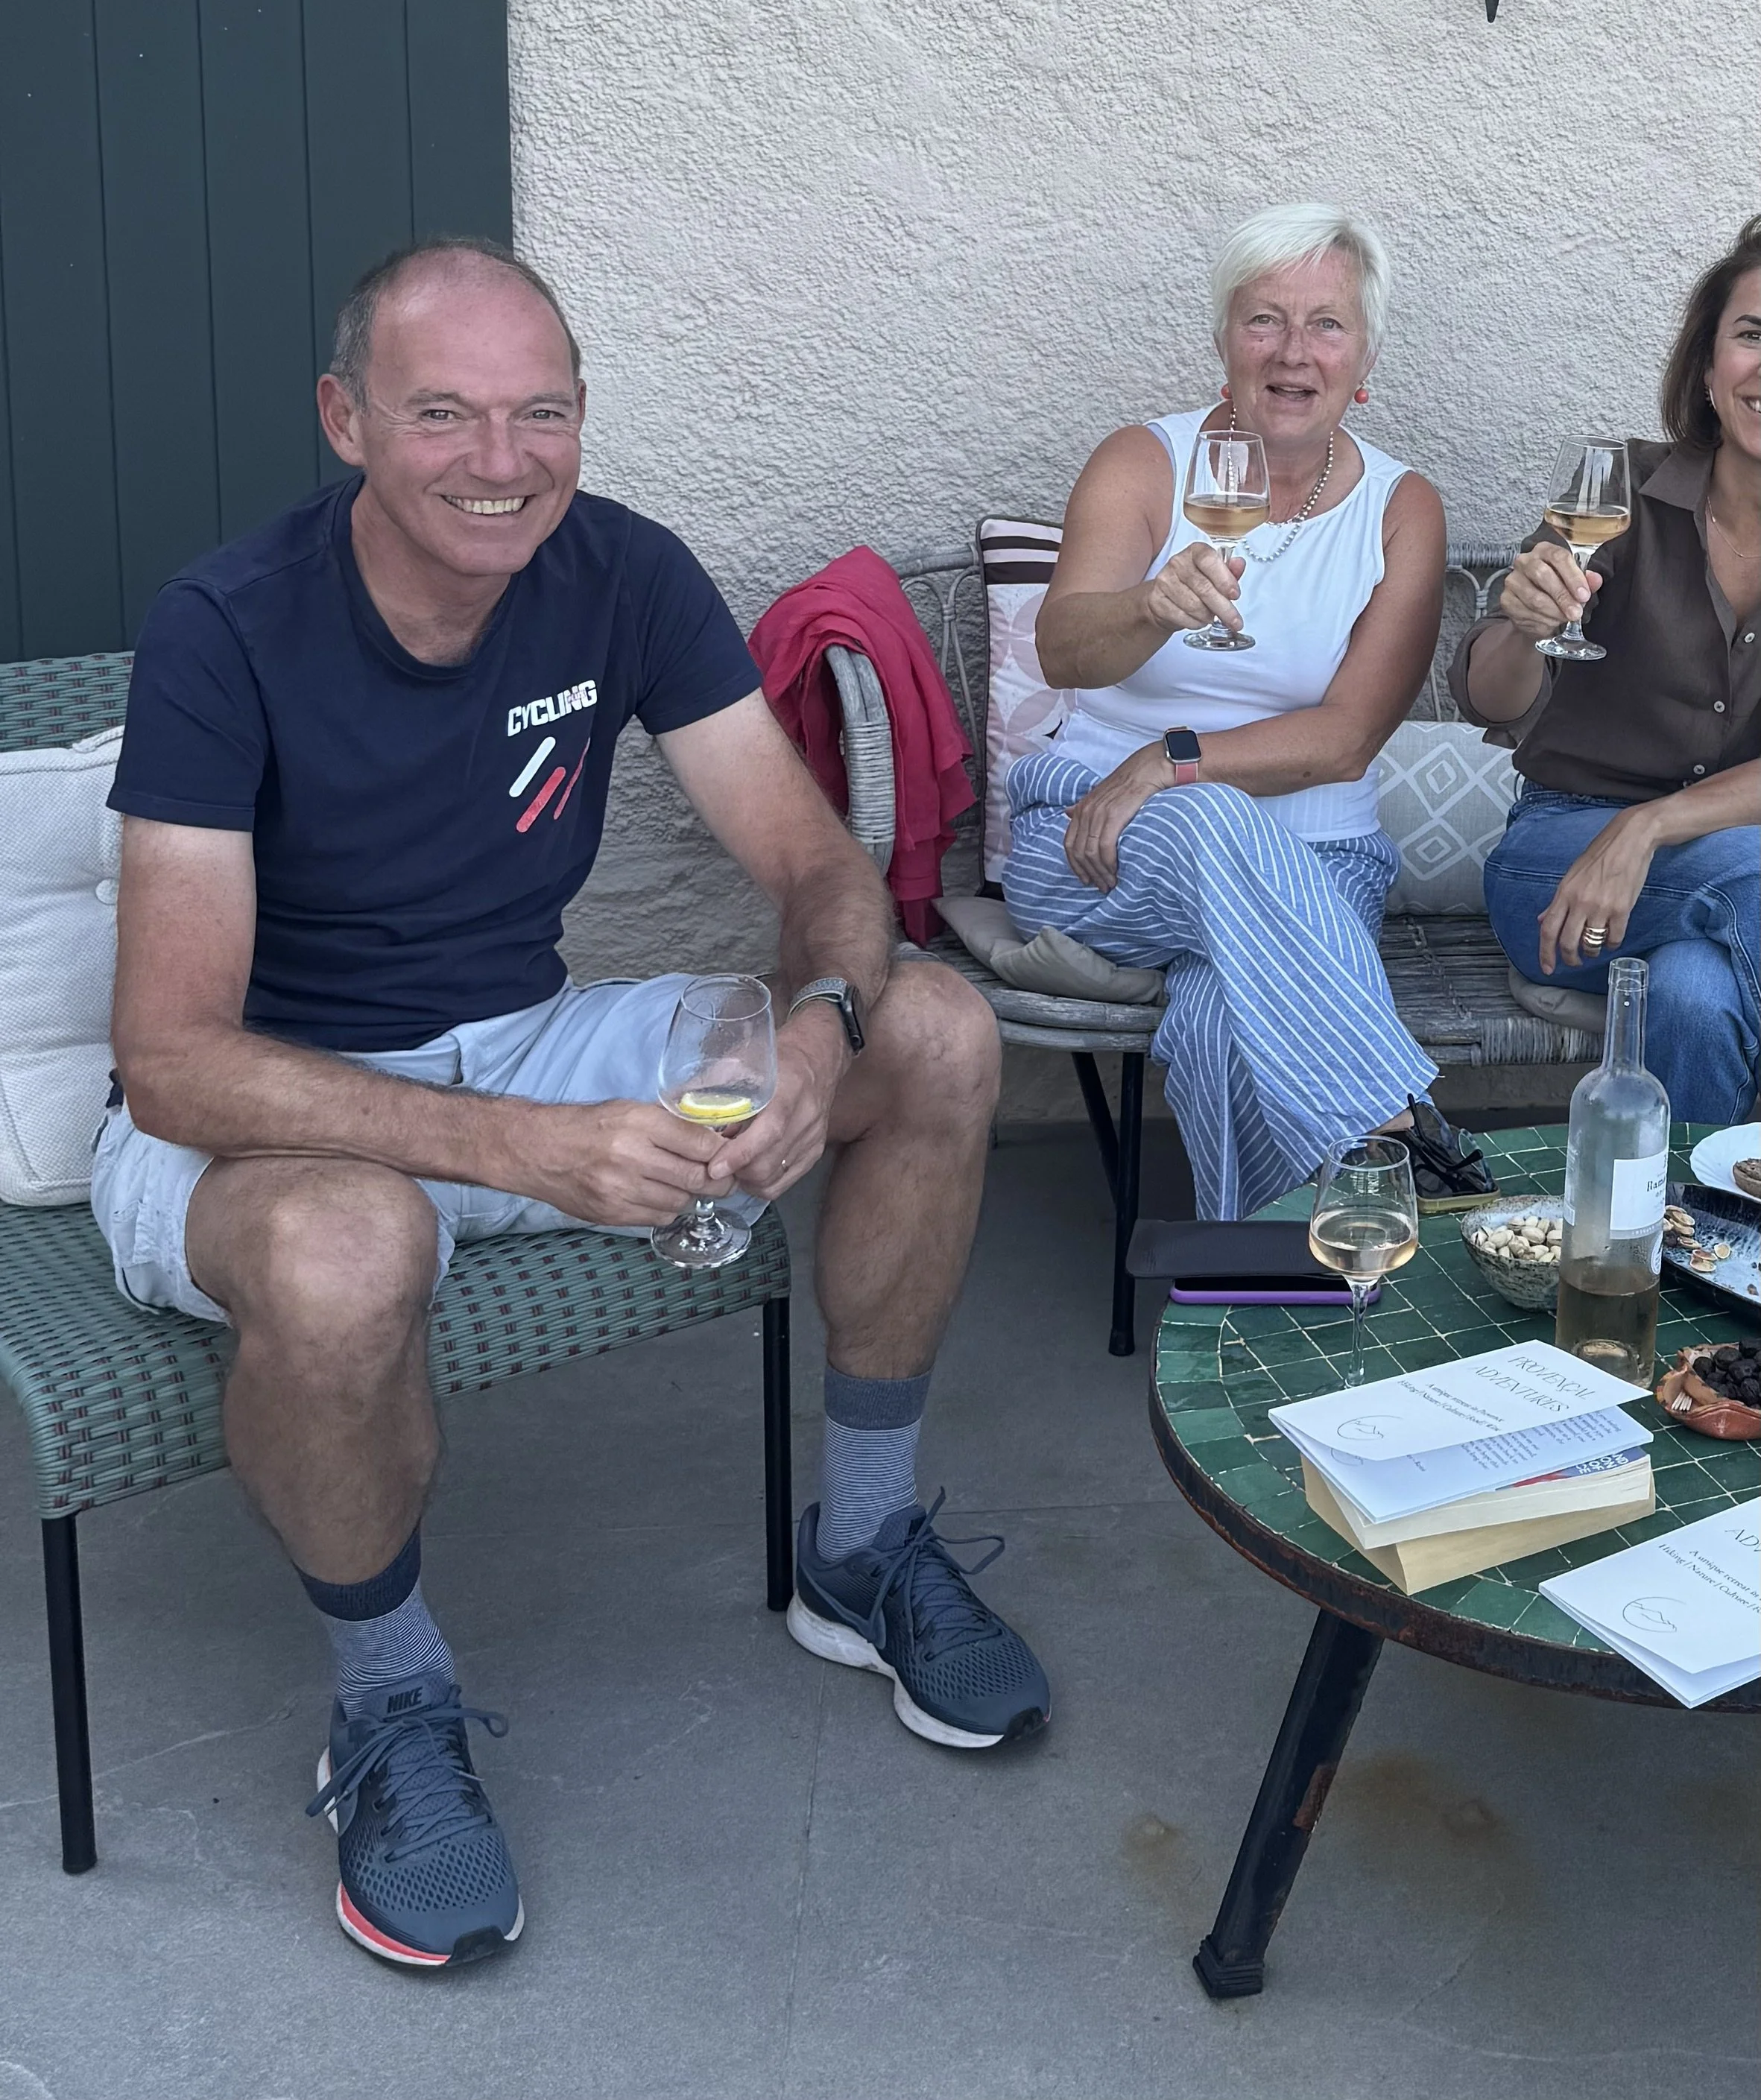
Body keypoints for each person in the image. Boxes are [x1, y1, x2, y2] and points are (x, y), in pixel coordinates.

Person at [93, 238, 1048, 1973]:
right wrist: (520, 1146)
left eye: (541, 410)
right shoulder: (225, 626)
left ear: (582, 420)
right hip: (272, 1109)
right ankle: (389, 1707)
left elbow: (808, 856)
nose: (499, 457)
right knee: (342, 1242)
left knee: (943, 1033)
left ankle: (861, 1543)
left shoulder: (619, 574)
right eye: (443, 410)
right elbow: (170, 1052)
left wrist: (825, 1023)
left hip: (523, 1040)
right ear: (345, 419)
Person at [1003, 202, 1496, 1221]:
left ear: (1363, 356)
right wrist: (1146, 607)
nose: (1291, 352)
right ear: (1222, 339)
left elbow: (1346, 738)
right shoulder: (1141, 462)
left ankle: (1269, 1293)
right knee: (1213, 821)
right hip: (1095, 835)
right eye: (1262, 319)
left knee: (1225, 1017)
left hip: (1312, 858)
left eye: (1325, 324)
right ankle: (1399, 1122)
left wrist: (1170, 759)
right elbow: (1062, 648)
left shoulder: (1400, 506)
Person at [1452, 218, 1760, 1121]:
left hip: (1682, 861)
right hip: (1557, 862)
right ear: (1706, 370)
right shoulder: (1616, 490)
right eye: (1752, 335)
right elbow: (1488, 693)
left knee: (1690, 1000)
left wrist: (1650, 829)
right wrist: (1518, 625)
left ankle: (1684, 1248)